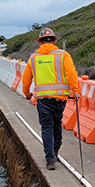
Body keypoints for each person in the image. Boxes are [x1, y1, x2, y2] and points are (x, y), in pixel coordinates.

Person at [22, 28, 80, 170]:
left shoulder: (34, 58)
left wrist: (27, 94)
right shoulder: (63, 55)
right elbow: (71, 74)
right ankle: (55, 151)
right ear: (54, 40)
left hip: (42, 99)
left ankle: (50, 160)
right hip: (60, 98)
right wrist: (76, 91)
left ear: (40, 42)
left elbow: (26, 79)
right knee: (57, 123)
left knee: (46, 127)